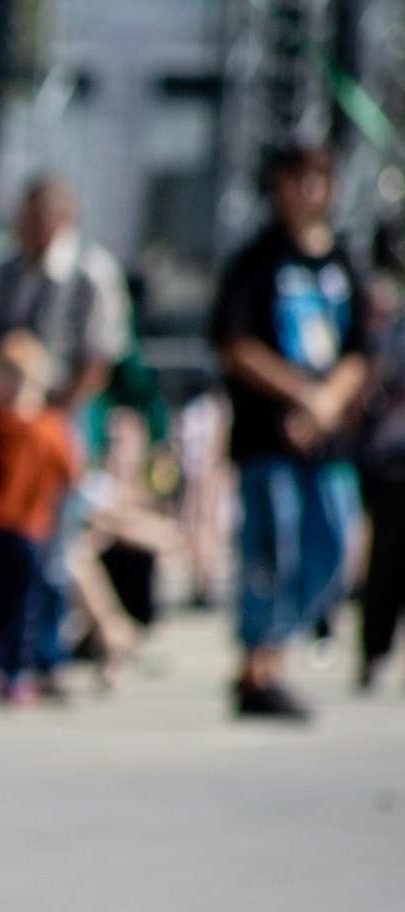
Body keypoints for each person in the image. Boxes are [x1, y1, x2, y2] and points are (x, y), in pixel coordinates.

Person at [210, 141, 368, 721]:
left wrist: (327, 400)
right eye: (298, 181)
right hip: (267, 434)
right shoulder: (258, 260)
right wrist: (301, 393)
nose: (309, 193)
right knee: (273, 546)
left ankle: (279, 645)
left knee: (334, 540)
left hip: (326, 437)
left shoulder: (342, 261)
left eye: (319, 181)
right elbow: (234, 342)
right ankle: (260, 666)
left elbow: (359, 351)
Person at [0, 177, 130, 698]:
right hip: (4, 416)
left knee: (54, 545)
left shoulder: (89, 272)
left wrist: (54, 413)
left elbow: (99, 356)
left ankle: (45, 655)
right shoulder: (0, 270)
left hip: (60, 416)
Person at [0, 332, 77, 704]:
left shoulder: (49, 427)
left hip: (33, 528)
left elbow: (70, 473)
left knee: (27, 603)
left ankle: (21, 668)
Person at [353, 258, 405, 691]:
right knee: (385, 561)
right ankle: (373, 651)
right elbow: (368, 387)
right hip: (392, 460)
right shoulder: (390, 336)